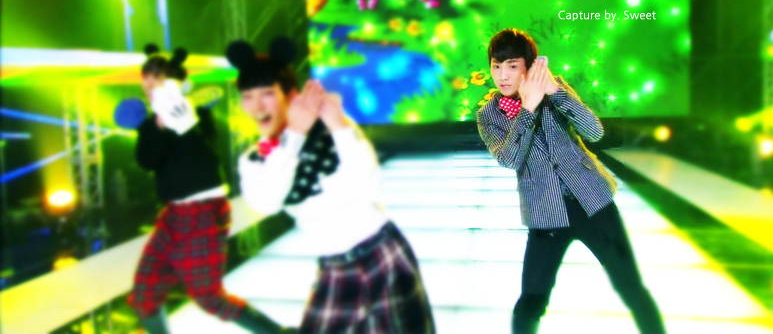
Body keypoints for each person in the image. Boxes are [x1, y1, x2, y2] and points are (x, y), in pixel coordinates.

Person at [226, 38, 435, 334]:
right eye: (247, 96)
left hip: (382, 250)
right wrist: (294, 136)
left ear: (291, 94)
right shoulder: (255, 158)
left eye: (267, 93)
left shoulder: (330, 125)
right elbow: (266, 203)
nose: (256, 105)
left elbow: (369, 184)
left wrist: (338, 126)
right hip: (335, 266)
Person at [475, 28, 665, 334]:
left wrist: (554, 92)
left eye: (512, 65)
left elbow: (595, 132)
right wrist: (528, 108)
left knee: (629, 285)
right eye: (496, 66)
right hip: (545, 214)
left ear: (530, 67)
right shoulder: (489, 115)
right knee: (532, 300)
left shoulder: (556, 88)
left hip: (593, 202)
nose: (503, 75)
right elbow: (509, 159)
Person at [129, 44, 295, 334]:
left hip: (204, 210)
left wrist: (182, 124)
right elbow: (147, 161)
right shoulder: (149, 124)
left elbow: (207, 161)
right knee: (144, 295)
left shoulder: (197, 113)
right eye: (147, 79)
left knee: (208, 296)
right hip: (173, 214)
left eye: (158, 79)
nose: (150, 86)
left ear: (175, 82)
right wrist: (158, 125)